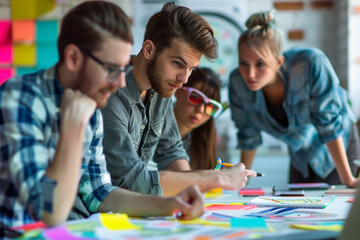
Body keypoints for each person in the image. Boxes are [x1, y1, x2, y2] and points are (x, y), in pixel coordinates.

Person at [0, 1, 205, 230]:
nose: (119, 82)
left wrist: (170, 205)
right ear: (74, 58)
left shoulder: (91, 101)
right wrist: (73, 128)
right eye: (112, 69)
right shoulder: (20, 97)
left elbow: (100, 193)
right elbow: (50, 213)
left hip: (71, 231)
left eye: (122, 69)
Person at [101, 2, 257, 197]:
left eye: (191, 69)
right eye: (177, 63)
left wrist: (191, 191)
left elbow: (171, 151)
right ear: (149, 50)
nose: (184, 79)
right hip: (91, 216)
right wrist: (216, 179)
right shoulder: (111, 91)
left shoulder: (160, 85)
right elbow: (131, 180)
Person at [229, 10, 360, 188]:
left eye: (260, 64)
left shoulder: (311, 63)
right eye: (243, 63)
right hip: (300, 154)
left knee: (337, 205)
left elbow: (329, 126)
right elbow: (248, 136)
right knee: (297, 208)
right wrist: (241, 185)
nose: (249, 74)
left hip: (338, 146)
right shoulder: (237, 83)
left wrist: (349, 180)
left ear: (278, 62)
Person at [173, 67, 222, 170]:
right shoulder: (149, 123)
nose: (200, 110)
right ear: (178, 91)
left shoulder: (202, 146)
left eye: (210, 106)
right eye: (195, 97)